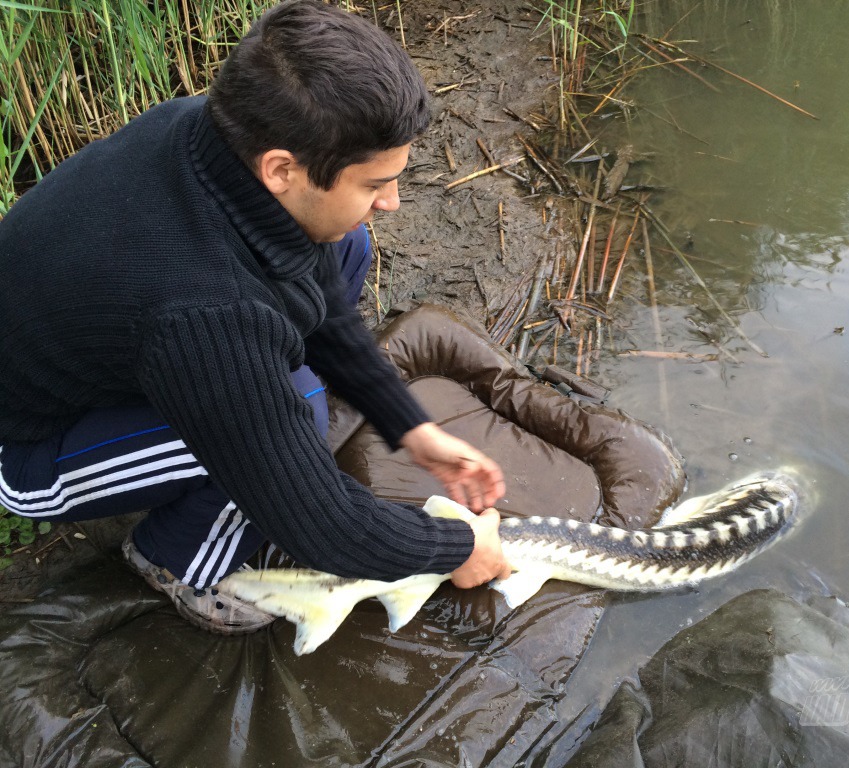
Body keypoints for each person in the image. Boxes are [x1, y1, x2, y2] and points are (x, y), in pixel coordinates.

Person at [0, 0, 511, 634]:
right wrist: (458, 549)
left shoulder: (209, 130)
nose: (394, 201)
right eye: (374, 182)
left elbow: (317, 295)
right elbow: (320, 525)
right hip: (25, 448)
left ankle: (226, 428)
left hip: (121, 337)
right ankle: (178, 563)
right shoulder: (204, 316)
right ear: (280, 169)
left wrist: (411, 429)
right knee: (297, 404)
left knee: (344, 243)